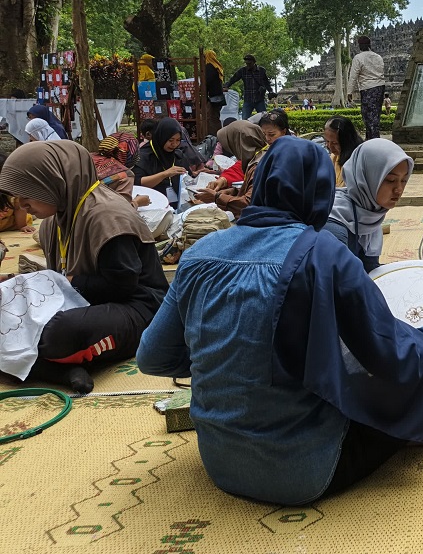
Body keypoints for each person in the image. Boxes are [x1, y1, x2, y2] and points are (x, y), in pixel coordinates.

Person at [135, 137, 423, 505]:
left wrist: (222, 353)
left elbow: (152, 357)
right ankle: (410, 430)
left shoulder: (199, 254)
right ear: (324, 191)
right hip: (306, 471)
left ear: (260, 184)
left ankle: (412, 425)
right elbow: (393, 355)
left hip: (220, 464)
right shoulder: (324, 254)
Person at [0, 141, 168, 394]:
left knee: (60, 333)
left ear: (54, 180)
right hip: (81, 302)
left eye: (28, 193)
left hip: (138, 307)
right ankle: (58, 370)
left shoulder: (107, 215)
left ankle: (43, 368)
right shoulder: (52, 222)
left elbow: (121, 285)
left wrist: (69, 281)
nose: (22, 204)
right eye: (17, 197)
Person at [326, 139, 413, 272]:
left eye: (404, 180)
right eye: (390, 180)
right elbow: (341, 285)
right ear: (366, 177)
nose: (399, 189)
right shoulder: (334, 225)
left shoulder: (369, 214)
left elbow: (371, 271)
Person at [194, 121, 267, 218]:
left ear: (238, 144)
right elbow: (255, 191)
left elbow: (249, 204)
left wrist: (217, 197)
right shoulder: (259, 156)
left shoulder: (258, 165)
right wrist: (234, 191)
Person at [132, 118, 189, 209]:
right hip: (150, 205)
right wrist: (165, 174)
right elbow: (138, 183)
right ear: (161, 137)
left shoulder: (177, 155)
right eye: (170, 140)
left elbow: (186, 179)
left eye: (178, 140)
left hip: (176, 206)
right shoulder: (143, 156)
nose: (174, 144)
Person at [347, 36, 386, 141]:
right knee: (375, 114)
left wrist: (349, 92)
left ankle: (374, 140)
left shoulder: (358, 58)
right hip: (380, 87)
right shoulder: (378, 57)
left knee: (368, 116)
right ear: (370, 45)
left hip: (367, 89)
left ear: (359, 46)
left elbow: (353, 76)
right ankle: (370, 138)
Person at [224, 54, 274, 119]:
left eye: (250, 64)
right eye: (247, 64)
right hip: (248, 99)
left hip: (259, 99)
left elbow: (266, 82)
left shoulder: (261, 71)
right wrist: (226, 86)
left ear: (254, 62)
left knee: (264, 119)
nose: (248, 65)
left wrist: (270, 91)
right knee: (244, 120)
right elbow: (233, 79)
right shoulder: (243, 71)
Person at [324, 116, 362, 188]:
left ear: (347, 141)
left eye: (335, 143)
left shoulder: (357, 161)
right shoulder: (334, 157)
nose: (330, 146)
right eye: (327, 141)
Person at [204, 49, 225, 136]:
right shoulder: (217, 67)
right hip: (218, 96)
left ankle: (215, 136)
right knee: (216, 117)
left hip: (213, 97)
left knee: (212, 118)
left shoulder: (209, 66)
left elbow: (207, 81)